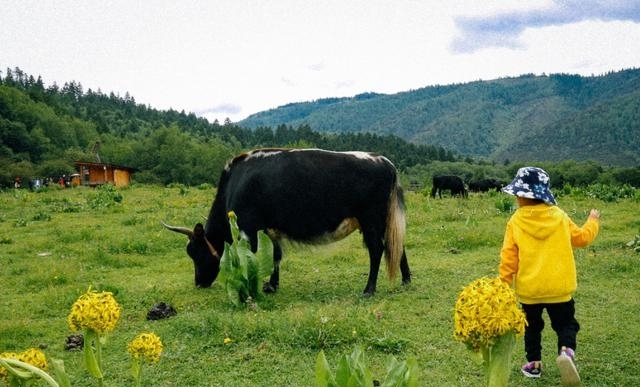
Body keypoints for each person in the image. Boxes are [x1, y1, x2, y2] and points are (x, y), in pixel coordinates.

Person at [498, 166, 600, 386]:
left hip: (529, 291)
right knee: (566, 325)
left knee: (531, 328)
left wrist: (503, 286)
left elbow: (508, 259)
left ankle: (534, 365)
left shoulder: (515, 221)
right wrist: (592, 220)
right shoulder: (559, 216)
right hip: (559, 289)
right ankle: (566, 352)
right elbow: (582, 239)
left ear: (521, 196)